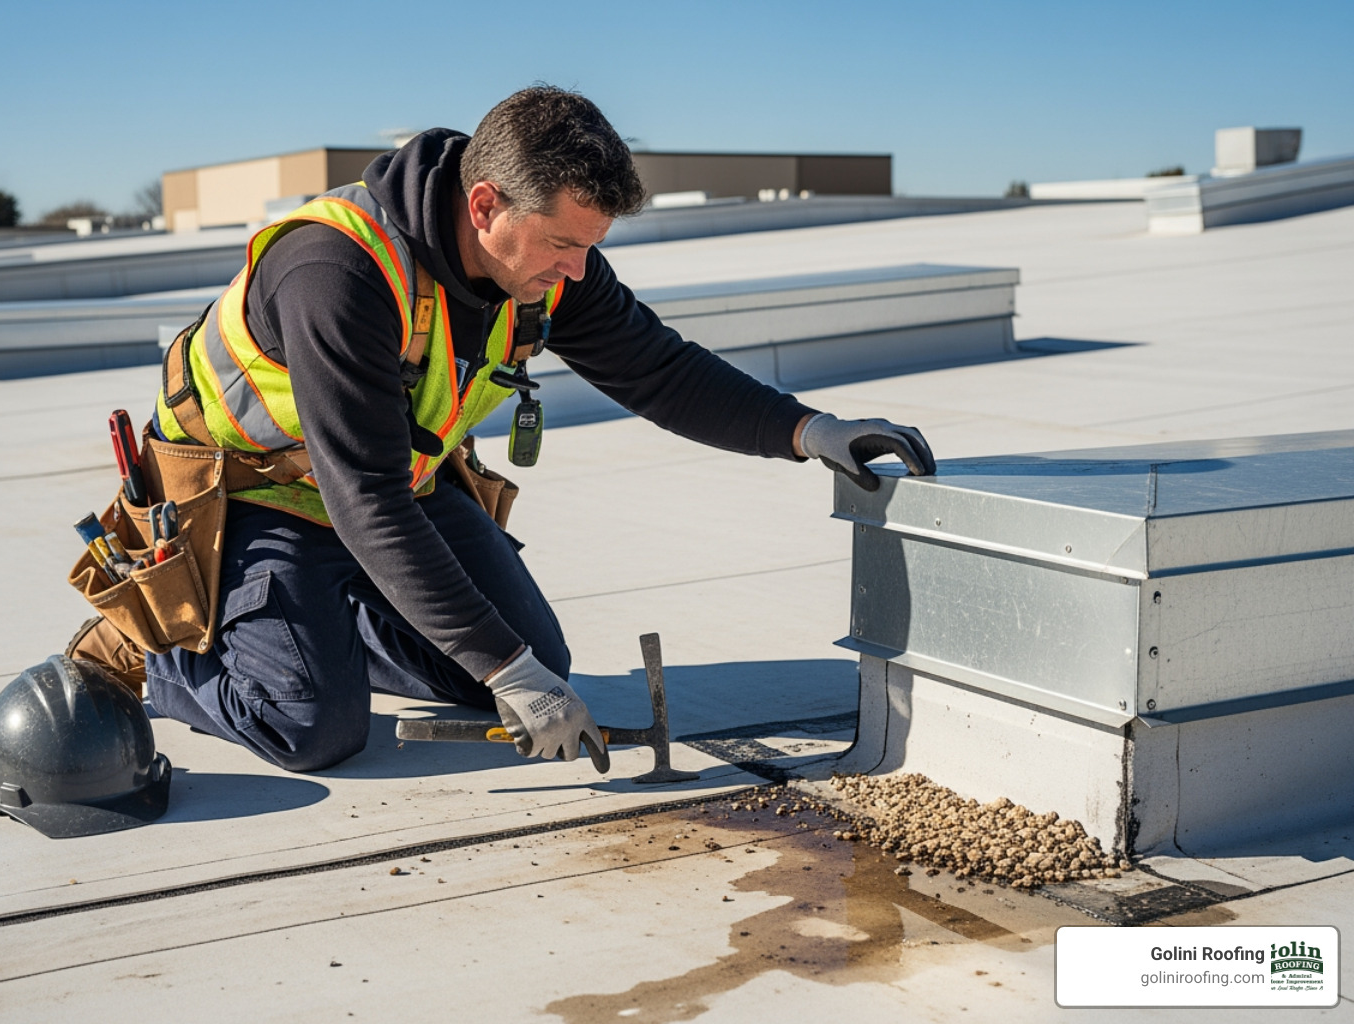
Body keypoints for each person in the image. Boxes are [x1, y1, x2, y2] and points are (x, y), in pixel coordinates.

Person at [71, 86, 935, 774]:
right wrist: (504, 668)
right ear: (484, 203)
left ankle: (319, 632)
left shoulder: (549, 262)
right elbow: (360, 492)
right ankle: (157, 653)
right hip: (254, 502)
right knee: (313, 726)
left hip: (389, 493)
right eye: (563, 244)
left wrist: (806, 429)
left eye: (591, 246)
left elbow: (659, 369)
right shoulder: (334, 271)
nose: (578, 269)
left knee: (529, 665)